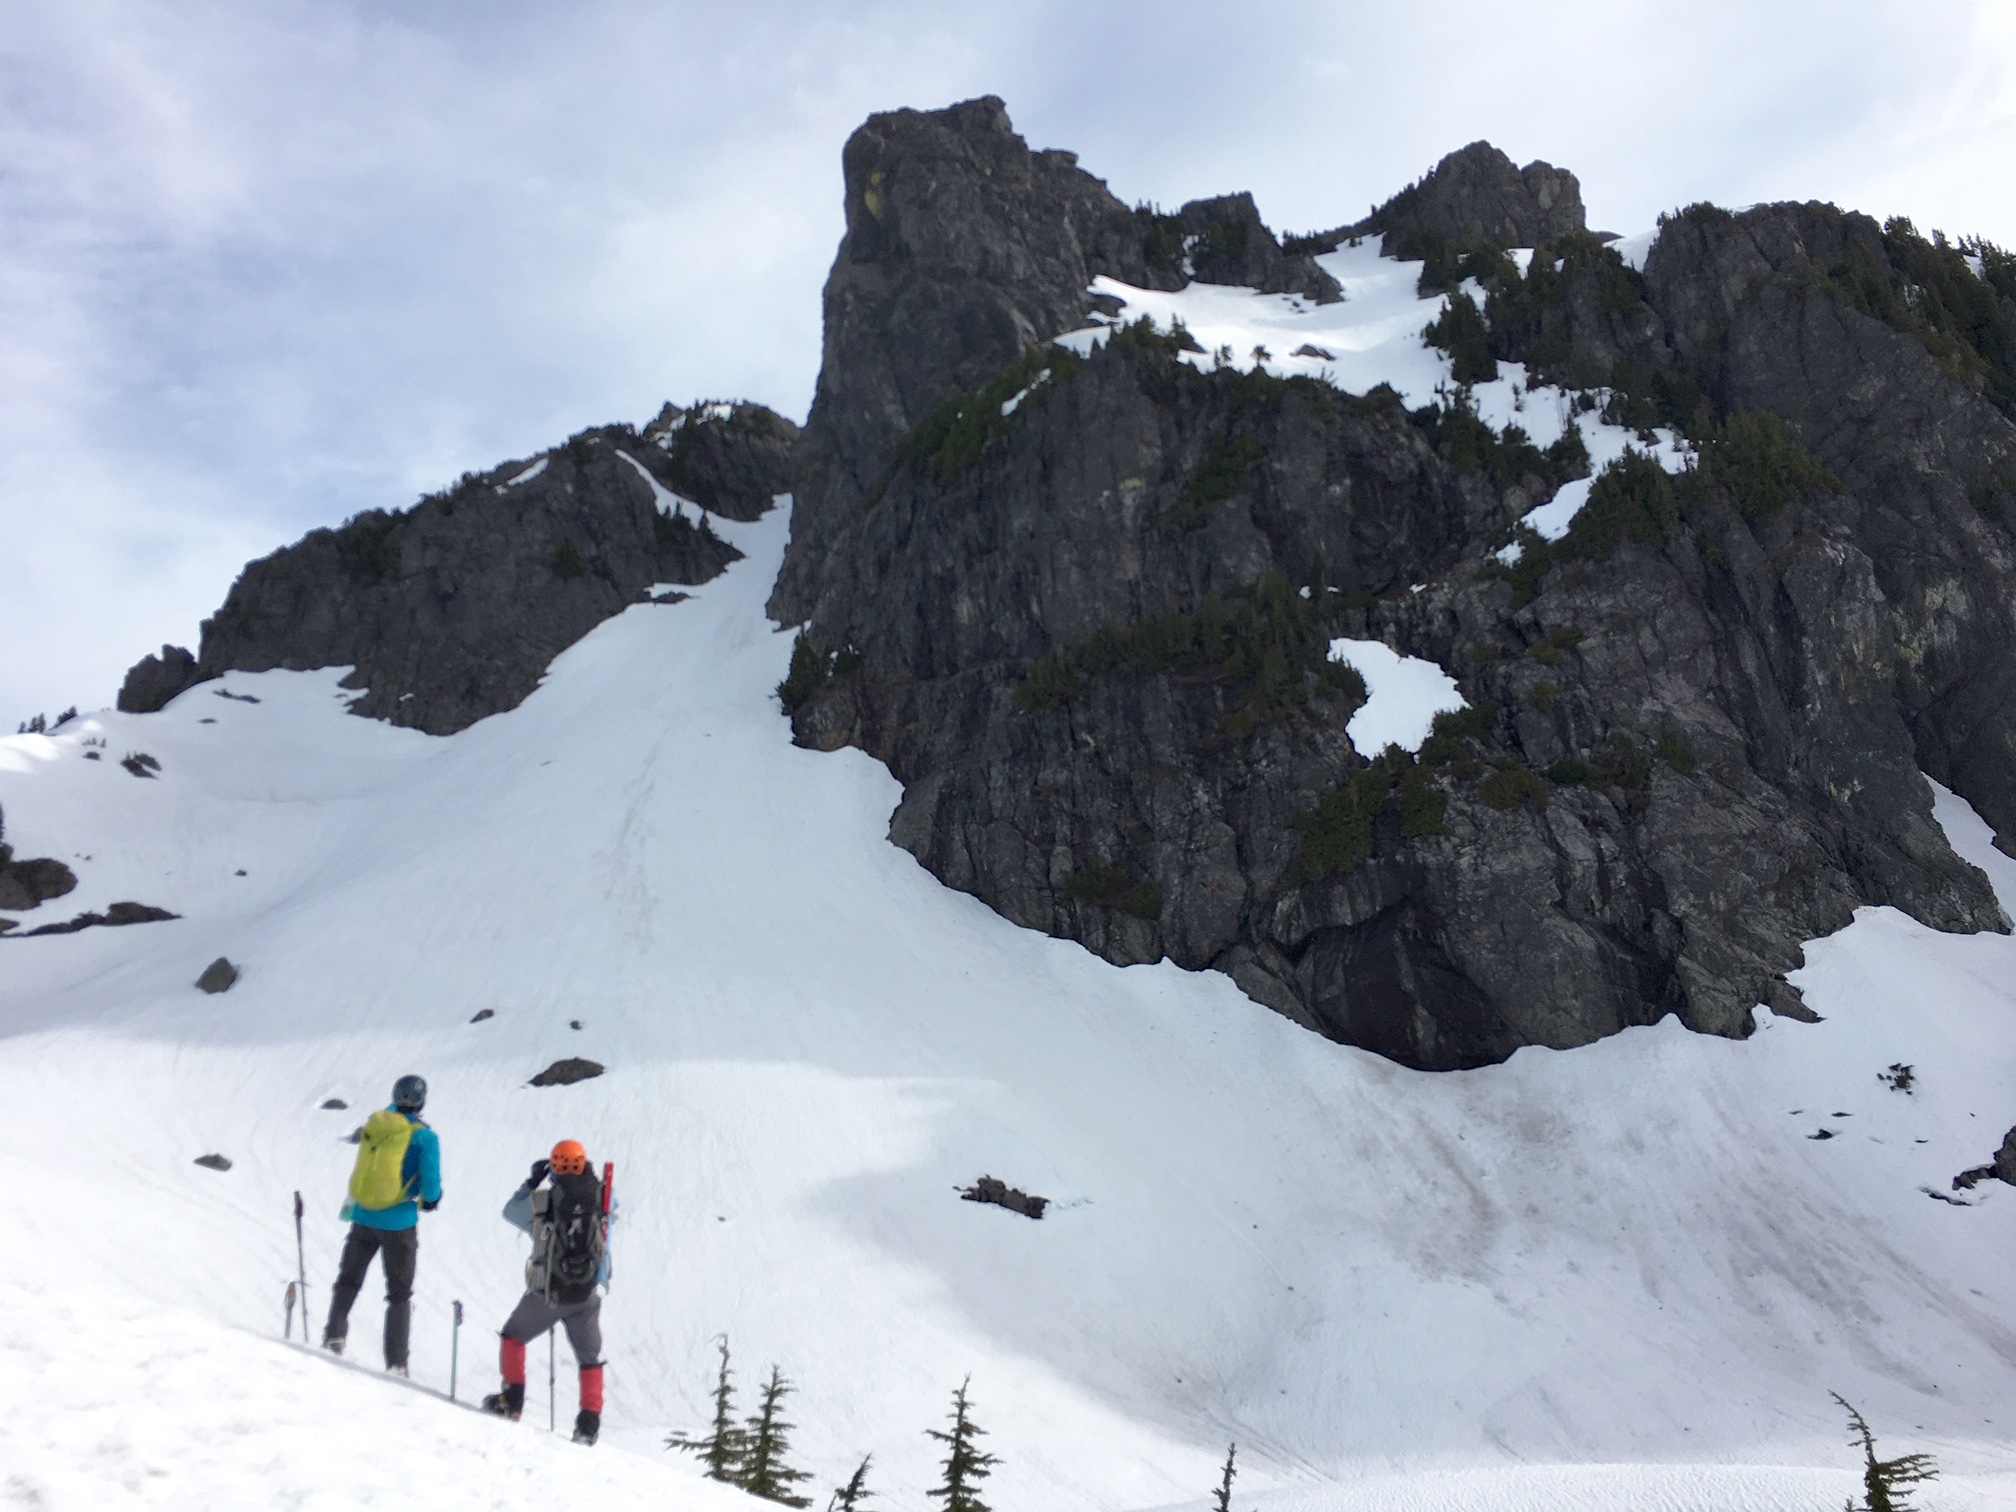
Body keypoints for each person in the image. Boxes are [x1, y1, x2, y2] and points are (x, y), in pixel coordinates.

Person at [482, 1139, 613, 1445]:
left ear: (553, 1167)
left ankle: (511, 1401)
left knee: (513, 1336)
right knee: (590, 1358)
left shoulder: (542, 1201)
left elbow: (510, 1211)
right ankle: (589, 1424)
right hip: (587, 1294)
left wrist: (532, 1181)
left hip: (548, 1294)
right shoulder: (602, 1195)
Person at [322, 1073, 442, 1374]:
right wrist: (430, 1200)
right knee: (399, 1294)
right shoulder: (425, 1137)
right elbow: (431, 1187)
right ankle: (397, 1363)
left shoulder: (377, 1123)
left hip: (363, 1215)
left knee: (348, 1279)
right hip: (399, 1222)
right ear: (422, 1101)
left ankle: (333, 1336)